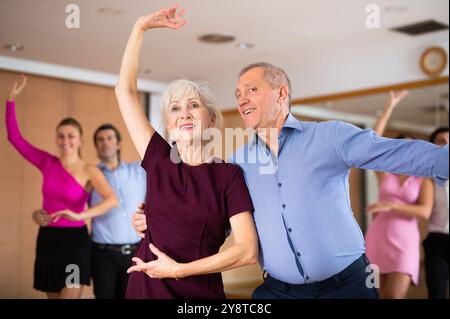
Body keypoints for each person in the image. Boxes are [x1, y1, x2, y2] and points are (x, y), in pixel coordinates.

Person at [135, 63, 449, 299]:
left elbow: (399, 153)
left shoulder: (330, 137)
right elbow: (215, 217)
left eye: (251, 90)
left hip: (349, 286)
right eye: (238, 94)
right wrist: (155, 218)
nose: (242, 99)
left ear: (282, 93)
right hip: (279, 291)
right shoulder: (238, 163)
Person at [115, 4, 258, 299]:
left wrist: (178, 270)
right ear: (168, 125)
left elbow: (247, 251)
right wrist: (139, 28)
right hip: (147, 289)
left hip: (198, 292)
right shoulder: (158, 158)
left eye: (194, 106)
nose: (185, 114)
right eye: (176, 109)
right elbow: (125, 93)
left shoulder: (228, 175)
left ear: (212, 119)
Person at [6, 75, 118, 299]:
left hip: (75, 245)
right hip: (48, 241)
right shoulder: (47, 162)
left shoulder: (89, 170)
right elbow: (15, 138)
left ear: (80, 140)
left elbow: (112, 200)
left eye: (71, 136)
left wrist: (80, 216)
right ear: (56, 139)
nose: (65, 140)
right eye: (61, 136)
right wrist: (10, 100)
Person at [364, 91, 434, 299]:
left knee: (394, 296)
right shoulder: (386, 173)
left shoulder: (422, 179)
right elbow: (373, 142)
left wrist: (391, 206)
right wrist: (389, 107)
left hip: (405, 243)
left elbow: (425, 211)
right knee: (374, 295)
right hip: (377, 238)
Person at [423, 127, 449, 299]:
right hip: (436, 242)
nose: (447, 144)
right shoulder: (425, 176)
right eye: (441, 140)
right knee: (436, 294)